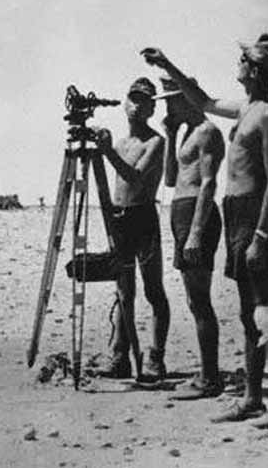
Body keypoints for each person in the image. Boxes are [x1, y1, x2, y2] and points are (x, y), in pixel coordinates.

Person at [142, 34, 268, 425]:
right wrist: (167, 64)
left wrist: (260, 236)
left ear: (255, 69)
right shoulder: (247, 107)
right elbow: (204, 101)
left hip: (258, 215)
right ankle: (252, 398)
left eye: (243, 60)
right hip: (236, 214)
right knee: (248, 314)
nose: (238, 65)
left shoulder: (267, 114)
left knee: (264, 311)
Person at [92, 77, 170, 381]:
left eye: (144, 100)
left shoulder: (155, 142)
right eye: (133, 99)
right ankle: (121, 355)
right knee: (124, 291)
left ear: (152, 107)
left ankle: (155, 357)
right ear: (125, 103)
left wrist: (107, 153)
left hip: (144, 218)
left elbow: (135, 178)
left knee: (153, 291)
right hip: (120, 218)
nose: (137, 105)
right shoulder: (122, 143)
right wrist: (107, 150)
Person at [155, 75, 225, 399]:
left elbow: (208, 183)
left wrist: (197, 230)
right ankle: (206, 374)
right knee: (194, 299)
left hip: (197, 214)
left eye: (172, 99)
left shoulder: (208, 132)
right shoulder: (185, 133)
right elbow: (170, 179)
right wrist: (170, 133)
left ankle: (210, 378)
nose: (168, 106)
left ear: (186, 98)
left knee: (200, 299)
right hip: (181, 212)